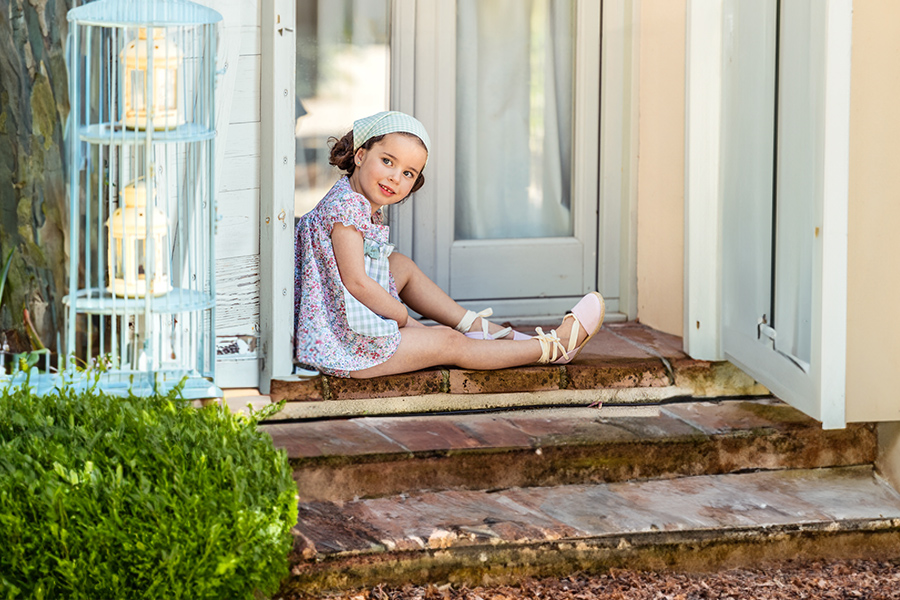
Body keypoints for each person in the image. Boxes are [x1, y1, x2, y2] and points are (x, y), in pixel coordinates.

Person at [294, 111, 605, 379]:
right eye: (387, 161)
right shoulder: (347, 208)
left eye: (408, 173)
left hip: (336, 315)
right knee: (448, 343)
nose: (395, 178)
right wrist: (404, 319)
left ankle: (477, 327)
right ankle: (553, 348)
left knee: (399, 266)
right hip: (343, 345)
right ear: (360, 155)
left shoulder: (353, 199)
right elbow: (358, 283)